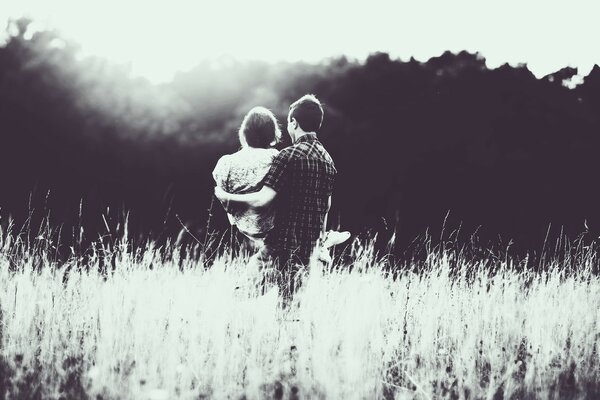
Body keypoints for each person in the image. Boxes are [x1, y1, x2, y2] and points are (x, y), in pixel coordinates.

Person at [215, 94, 348, 298]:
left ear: (294, 123)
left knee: (240, 296)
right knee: (289, 312)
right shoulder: (328, 161)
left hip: (281, 245)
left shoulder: (288, 156)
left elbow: (262, 199)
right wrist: (319, 242)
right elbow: (326, 206)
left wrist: (225, 196)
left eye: (288, 123)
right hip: (308, 250)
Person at [212, 106, 281, 247]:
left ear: (244, 132)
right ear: (272, 134)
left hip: (237, 233)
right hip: (272, 234)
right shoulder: (276, 158)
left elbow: (224, 200)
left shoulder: (226, 162)